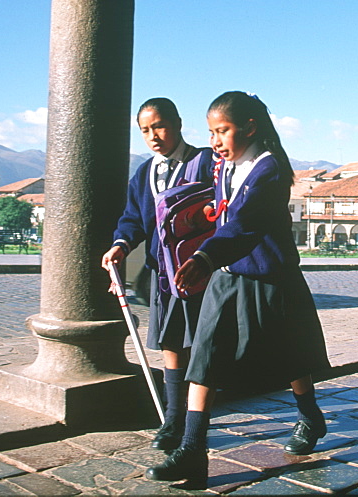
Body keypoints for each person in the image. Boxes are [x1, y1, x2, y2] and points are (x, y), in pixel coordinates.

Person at [149, 91, 330, 489]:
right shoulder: (224, 167)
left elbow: (246, 223)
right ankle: (193, 452)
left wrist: (204, 256)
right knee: (206, 358)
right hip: (227, 276)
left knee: (293, 360)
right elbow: (222, 214)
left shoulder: (270, 171)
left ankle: (311, 417)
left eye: (223, 131)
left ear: (249, 127)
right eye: (211, 132)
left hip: (270, 278)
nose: (215, 140)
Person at [101, 97, 213, 451]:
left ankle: (197, 421)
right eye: (145, 130)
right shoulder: (144, 173)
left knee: (204, 344)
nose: (153, 136)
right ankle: (173, 418)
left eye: (160, 126)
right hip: (163, 273)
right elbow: (133, 217)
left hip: (202, 271)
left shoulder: (205, 162)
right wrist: (121, 244)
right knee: (171, 341)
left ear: (178, 123)